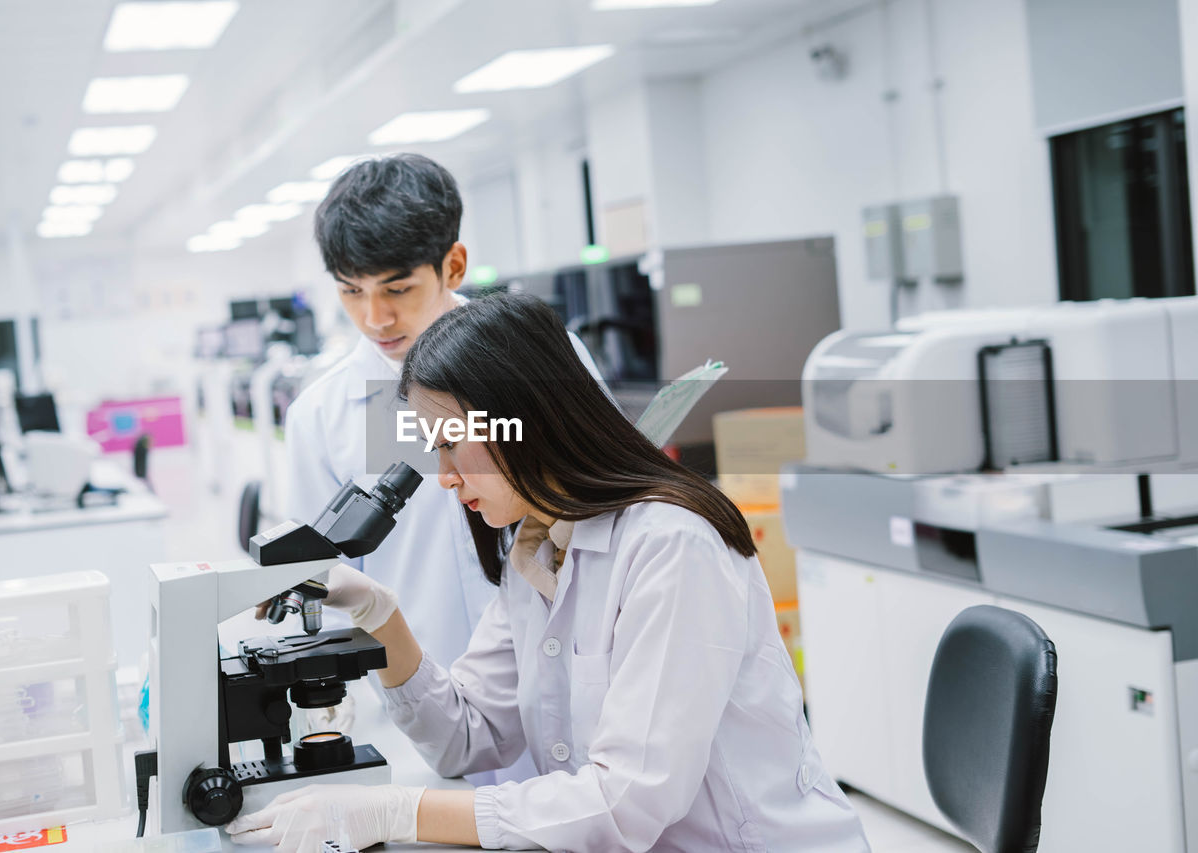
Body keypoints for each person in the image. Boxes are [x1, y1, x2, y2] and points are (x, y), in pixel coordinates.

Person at [229, 293, 870, 852]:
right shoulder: (536, 545)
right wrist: (381, 616)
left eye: (451, 442)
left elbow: (626, 802)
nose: (444, 476)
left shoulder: (672, 545)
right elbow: (467, 737)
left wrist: (398, 811)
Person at [284, 153, 602, 673]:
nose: (375, 317)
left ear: (452, 265)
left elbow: (604, 502)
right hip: (424, 695)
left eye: (398, 288)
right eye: (350, 291)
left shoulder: (548, 358)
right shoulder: (320, 415)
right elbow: (325, 580)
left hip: (572, 666)